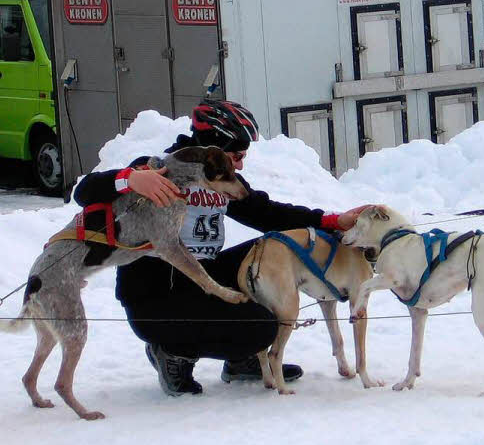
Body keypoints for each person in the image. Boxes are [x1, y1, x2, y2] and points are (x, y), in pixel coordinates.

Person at [72, 99, 370, 397]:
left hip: (203, 275)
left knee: (274, 255)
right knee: (263, 327)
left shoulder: (223, 180)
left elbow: (268, 214)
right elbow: (84, 192)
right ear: (214, 147)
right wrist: (130, 180)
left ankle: (242, 358)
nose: (240, 164)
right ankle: (172, 352)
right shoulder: (159, 169)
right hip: (156, 295)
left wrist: (331, 220)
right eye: (237, 154)